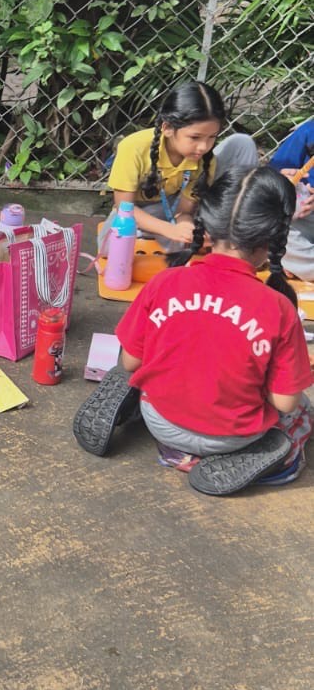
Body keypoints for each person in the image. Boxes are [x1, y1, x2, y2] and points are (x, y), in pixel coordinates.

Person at [74, 167, 313, 495]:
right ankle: (272, 462)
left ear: (207, 226)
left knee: (130, 372)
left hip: (160, 421)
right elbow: (285, 403)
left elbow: (130, 361)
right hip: (234, 435)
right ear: (270, 240)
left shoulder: (165, 282)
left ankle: (173, 449)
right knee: (303, 412)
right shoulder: (280, 308)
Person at [103, 81, 248, 252]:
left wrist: (185, 227)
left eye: (212, 137)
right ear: (168, 128)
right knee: (109, 247)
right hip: (135, 211)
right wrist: (169, 230)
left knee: (190, 240)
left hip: (170, 207)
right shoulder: (133, 147)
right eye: (195, 137)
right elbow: (124, 208)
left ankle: (157, 236)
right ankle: (151, 233)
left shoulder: (205, 160)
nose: (203, 146)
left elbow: (183, 211)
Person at [268, 115, 314, 282]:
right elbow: (272, 176)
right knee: (277, 223)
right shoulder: (309, 132)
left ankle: (296, 263)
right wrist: (285, 182)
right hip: (302, 219)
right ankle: (298, 261)